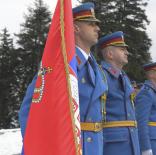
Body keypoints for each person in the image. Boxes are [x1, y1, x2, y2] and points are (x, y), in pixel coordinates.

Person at [19, 2, 108, 155]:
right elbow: (30, 108)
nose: (97, 28)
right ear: (75, 28)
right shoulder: (61, 65)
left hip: (95, 147)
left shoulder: (96, 68)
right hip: (69, 148)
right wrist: (37, 147)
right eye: (91, 24)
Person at [97, 31, 140, 155]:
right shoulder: (101, 75)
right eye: (122, 49)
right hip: (112, 144)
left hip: (130, 141)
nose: (127, 52)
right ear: (110, 54)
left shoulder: (124, 76)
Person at [135, 61, 156, 155]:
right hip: (151, 142)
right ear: (152, 74)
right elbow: (141, 123)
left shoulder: (155, 92)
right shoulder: (146, 93)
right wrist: (146, 148)